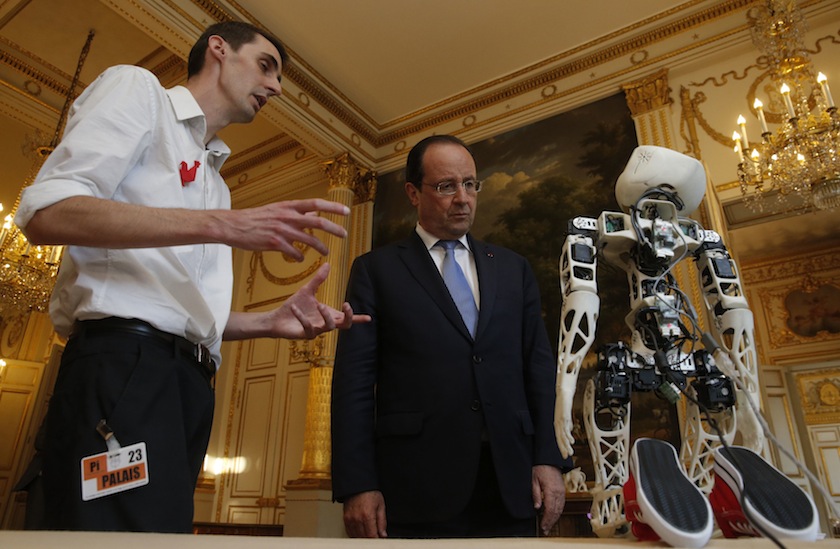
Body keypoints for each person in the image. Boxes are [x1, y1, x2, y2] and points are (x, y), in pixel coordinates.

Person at [14, 21, 368, 533]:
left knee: (162, 532)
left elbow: (177, 312)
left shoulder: (215, 183)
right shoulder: (139, 92)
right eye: (266, 66)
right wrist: (223, 226)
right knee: (117, 535)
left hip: (189, 384)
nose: (276, 87)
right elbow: (47, 212)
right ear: (218, 49)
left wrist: (268, 321)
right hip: (124, 372)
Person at [331, 135, 572, 538]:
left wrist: (548, 457)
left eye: (470, 184)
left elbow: (538, 367)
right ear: (413, 192)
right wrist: (358, 482)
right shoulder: (376, 271)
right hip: (415, 487)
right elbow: (354, 382)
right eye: (446, 186)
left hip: (510, 482)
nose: (463, 198)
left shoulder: (514, 269)